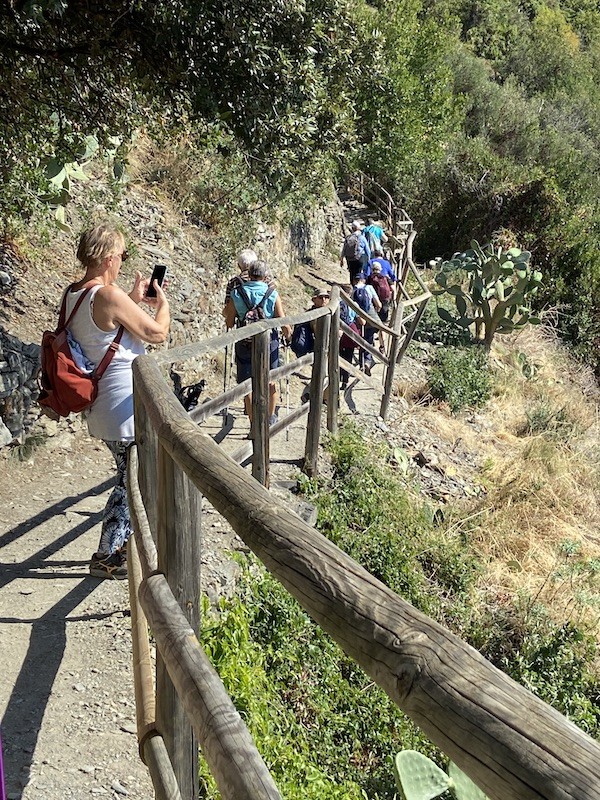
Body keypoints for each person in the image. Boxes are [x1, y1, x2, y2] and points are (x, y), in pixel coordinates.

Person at [65, 223, 170, 579]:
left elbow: (101, 329)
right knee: (132, 478)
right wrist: (163, 305)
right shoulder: (108, 295)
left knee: (130, 475)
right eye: (122, 256)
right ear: (110, 257)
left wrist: (133, 299)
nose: (123, 262)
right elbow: (157, 333)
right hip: (121, 403)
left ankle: (121, 546)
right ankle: (107, 555)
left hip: (101, 403)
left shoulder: (74, 294)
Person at [223, 260, 291, 426]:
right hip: (269, 342)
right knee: (271, 379)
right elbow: (282, 321)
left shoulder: (237, 293)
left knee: (247, 384)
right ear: (264, 275)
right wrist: (288, 334)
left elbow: (229, 322)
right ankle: (269, 419)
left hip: (244, 342)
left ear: (249, 273)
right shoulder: (272, 293)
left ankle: (254, 424)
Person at [352, 272, 381, 377]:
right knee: (368, 340)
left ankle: (361, 364)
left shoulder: (352, 291)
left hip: (358, 320)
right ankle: (367, 362)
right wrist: (374, 312)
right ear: (363, 280)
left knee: (361, 341)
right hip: (371, 318)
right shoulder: (369, 288)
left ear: (354, 280)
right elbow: (379, 304)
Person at [367, 260, 394, 353]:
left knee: (371, 324)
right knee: (382, 326)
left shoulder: (369, 278)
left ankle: (370, 342)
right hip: (385, 304)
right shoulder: (386, 278)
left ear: (372, 269)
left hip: (373, 304)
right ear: (380, 269)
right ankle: (382, 346)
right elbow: (393, 289)